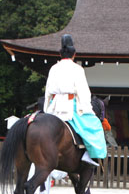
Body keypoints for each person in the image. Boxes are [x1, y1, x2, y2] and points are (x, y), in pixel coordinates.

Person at [43, 34, 106, 166]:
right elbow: (84, 93)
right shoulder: (77, 69)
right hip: (71, 106)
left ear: (60, 54)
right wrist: (88, 109)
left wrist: (46, 109)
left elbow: (48, 91)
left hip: (54, 106)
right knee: (94, 125)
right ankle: (89, 156)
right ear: (74, 54)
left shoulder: (54, 68)